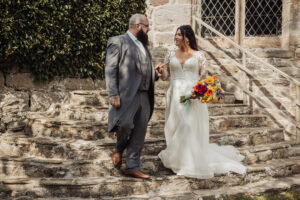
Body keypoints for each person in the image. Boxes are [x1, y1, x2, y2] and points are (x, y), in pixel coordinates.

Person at [156, 25, 246, 178]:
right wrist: (160, 71)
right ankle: (178, 157)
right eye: (176, 34)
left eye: (179, 35)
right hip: (174, 93)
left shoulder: (199, 56)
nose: (175, 37)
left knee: (188, 125)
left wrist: (198, 93)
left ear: (187, 37)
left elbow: (204, 80)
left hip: (192, 96)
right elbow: (166, 76)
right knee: (174, 125)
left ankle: (188, 161)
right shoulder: (170, 54)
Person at [105, 13, 161, 179]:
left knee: (140, 131)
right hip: (126, 95)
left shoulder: (144, 47)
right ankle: (119, 148)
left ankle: (132, 166)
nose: (148, 29)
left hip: (144, 95)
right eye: (147, 26)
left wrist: (155, 74)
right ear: (138, 26)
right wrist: (113, 93)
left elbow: (144, 71)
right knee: (125, 125)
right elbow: (110, 69)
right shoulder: (118, 41)